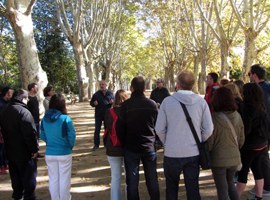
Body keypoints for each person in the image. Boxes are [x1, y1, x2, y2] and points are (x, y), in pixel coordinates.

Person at [155, 71, 213, 200]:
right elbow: (208, 129)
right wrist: (198, 140)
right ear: (193, 85)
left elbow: (159, 128)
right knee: (192, 188)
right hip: (193, 152)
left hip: (172, 153)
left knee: (171, 188)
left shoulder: (167, 102)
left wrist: (167, 142)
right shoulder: (201, 102)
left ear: (178, 84)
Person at [119, 76, 160, 200]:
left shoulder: (125, 105)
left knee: (132, 182)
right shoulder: (152, 105)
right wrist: (156, 141)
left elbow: (120, 128)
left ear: (131, 88)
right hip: (149, 147)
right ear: (144, 88)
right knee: (152, 179)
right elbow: (158, 125)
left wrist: (123, 144)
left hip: (131, 147)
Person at [0, 89, 39, 200]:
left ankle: (18, 196)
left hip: (10, 151)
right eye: (27, 99)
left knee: (15, 177)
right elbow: (30, 134)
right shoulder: (23, 112)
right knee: (28, 178)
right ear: (23, 98)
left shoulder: (4, 110)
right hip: (24, 153)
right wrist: (34, 150)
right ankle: (28, 197)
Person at [208, 87, 245, 200]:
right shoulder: (237, 116)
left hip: (219, 160)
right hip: (234, 158)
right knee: (230, 185)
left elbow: (210, 143)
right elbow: (241, 139)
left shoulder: (213, 118)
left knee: (222, 188)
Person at [236, 83, 269, 200]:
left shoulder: (247, 107)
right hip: (262, 144)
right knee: (257, 170)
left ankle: (236, 197)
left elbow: (246, 129)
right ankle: (258, 196)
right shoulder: (261, 105)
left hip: (249, 146)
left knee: (242, 173)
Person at [40, 93, 76, 200]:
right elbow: (72, 136)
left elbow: (42, 135)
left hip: (50, 153)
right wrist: (69, 146)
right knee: (64, 179)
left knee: (53, 179)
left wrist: (50, 143)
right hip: (64, 152)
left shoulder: (44, 119)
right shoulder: (65, 119)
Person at [248, 64, 270, 197]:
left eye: (249, 74)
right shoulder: (268, 87)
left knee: (262, 158)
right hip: (266, 127)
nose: (249, 76)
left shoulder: (255, 90)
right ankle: (263, 185)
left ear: (254, 75)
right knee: (263, 157)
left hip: (260, 129)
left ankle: (266, 186)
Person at [104, 89, 128, 200]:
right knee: (129, 178)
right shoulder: (128, 111)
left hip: (112, 146)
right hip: (128, 147)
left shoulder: (109, 112)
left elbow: (107, 128)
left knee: (115, 177)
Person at [90, 80, 114, 151]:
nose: (102, 85)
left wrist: (112, 101)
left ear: (106, 85)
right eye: (100, 84)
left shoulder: (110, 93)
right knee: (97, 130)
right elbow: (91, 103)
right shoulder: (96, 94)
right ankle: (96, 145)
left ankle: (106, 144)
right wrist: (94, 103)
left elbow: (115, 100)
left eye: (103, 84)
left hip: (108, 115)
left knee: (107, 130)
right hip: (98, 115)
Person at [0, 86, 13, 174]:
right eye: (10, 93)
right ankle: (1, 166)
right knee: (1, 148)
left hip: (7, 128)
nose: (11, 95)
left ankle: (5, 163)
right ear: (7, 93)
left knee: (5, 147)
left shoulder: (8, 103)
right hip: (1, 128)